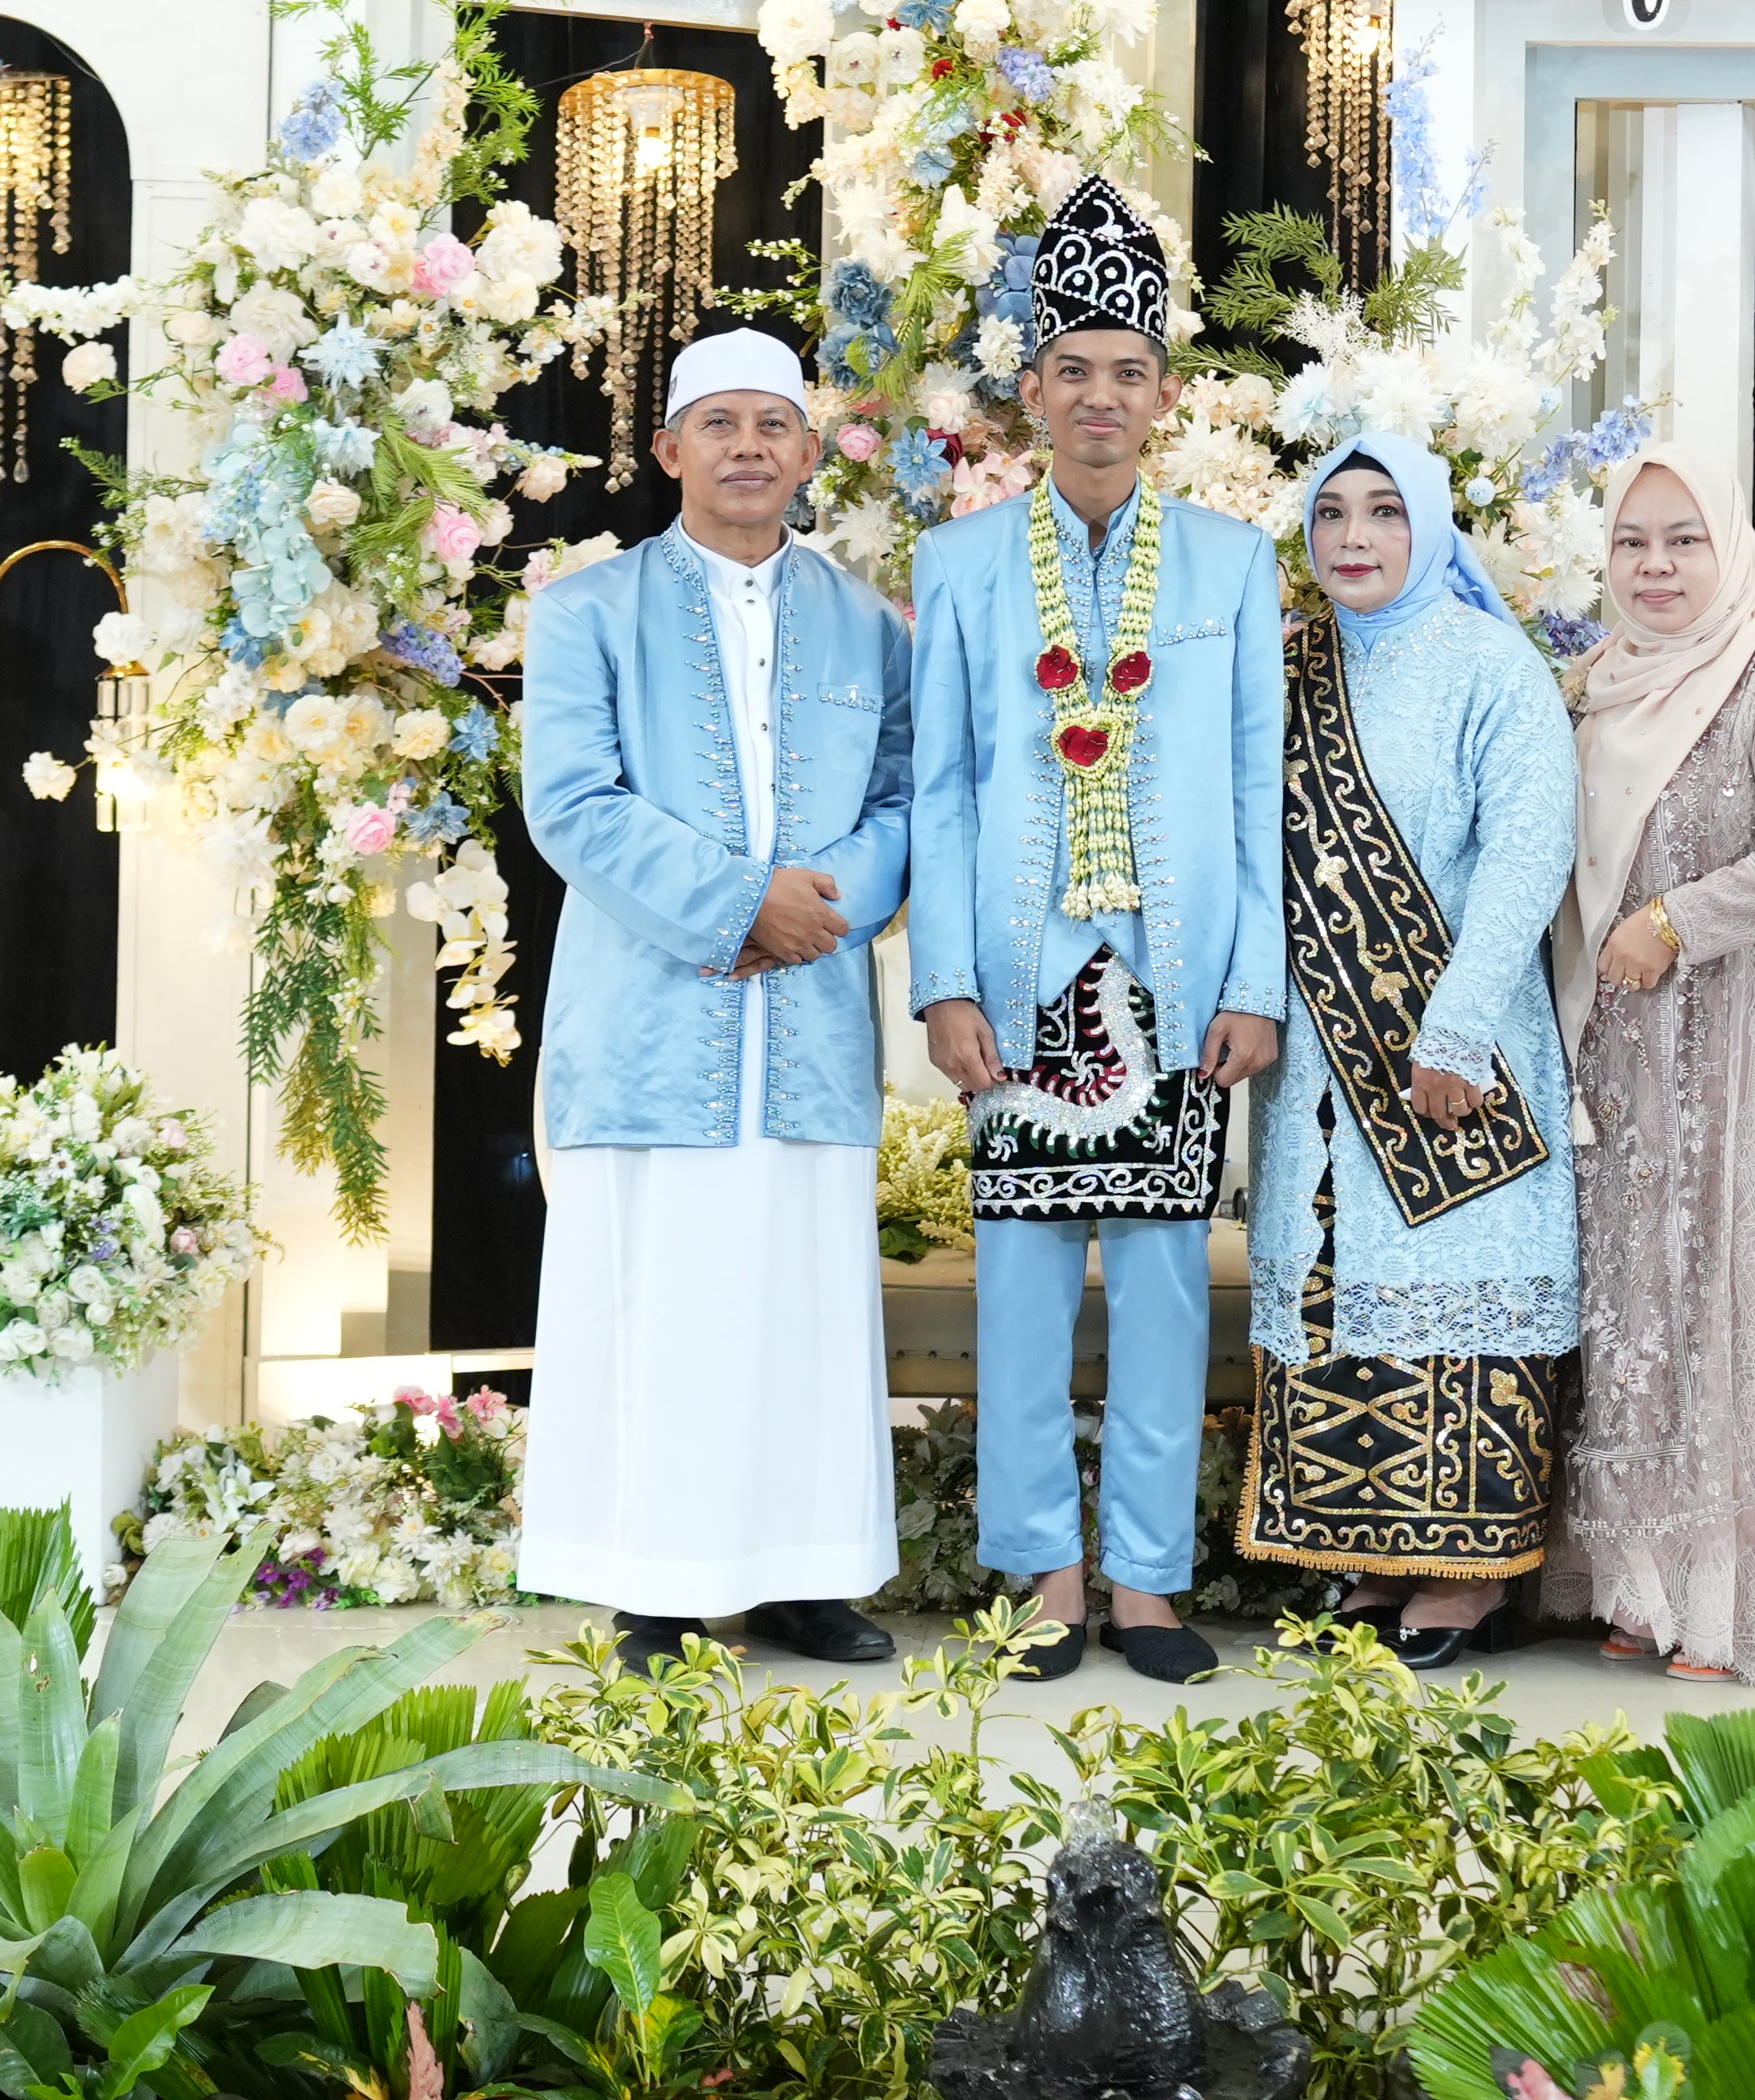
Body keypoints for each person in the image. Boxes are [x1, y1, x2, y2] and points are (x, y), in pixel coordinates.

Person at [909, 176, 1287, 1684]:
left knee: (1165, 1289)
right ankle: (1041, 1579)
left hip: (1172, 975)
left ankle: (1145, 1584)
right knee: (1017, 1289)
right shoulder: (956, 566)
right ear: (1033, 391)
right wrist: (943, 981)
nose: (1101, 397)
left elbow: (1255, 789)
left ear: (1166, 395)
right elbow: (940, 789)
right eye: (1073, 369)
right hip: (1020, 973)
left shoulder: (1231, 562)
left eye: (1129, 371)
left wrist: (1254, 981)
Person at [517, 327, 915, 1673]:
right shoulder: (586, 611)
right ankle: (656, 1587)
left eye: (773, 424)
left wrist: (823, 906)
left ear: (808, 453)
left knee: (803, 1307)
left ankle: (806, 1578)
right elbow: (573, 804)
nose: (749, 447)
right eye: (721, 424)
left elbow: (906, 799)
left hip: (810, 1021)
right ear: (670, 450)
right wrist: (743, 904)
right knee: (663, 1309)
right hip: (650, 1020)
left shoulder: (867, 622)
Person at [1541, 444, 1755, 1684]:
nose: (1658, 565)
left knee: (1742, 1299)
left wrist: (1676, 923)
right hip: (1624, 1053)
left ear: (1729, 546)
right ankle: (1642, 1589)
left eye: (1684, 539)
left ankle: (1736, 1611)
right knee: (1642, 1309)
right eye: (1633, 542)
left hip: (1748, 1044)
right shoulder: (1602, 681)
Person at [1235, 437, 1579, 1666]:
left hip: (1455, 1050)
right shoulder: (1286, 668)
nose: (1355, 537)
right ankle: (1371, 1564)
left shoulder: (1492, 664)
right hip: (1320, 1063)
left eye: (1384, 511)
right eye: (1331, 513)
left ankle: (1461, 1583)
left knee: (1457, 1293)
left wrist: (1458, 1026)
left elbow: (1530, 850)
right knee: (1338, 1292)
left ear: (1429, 527)